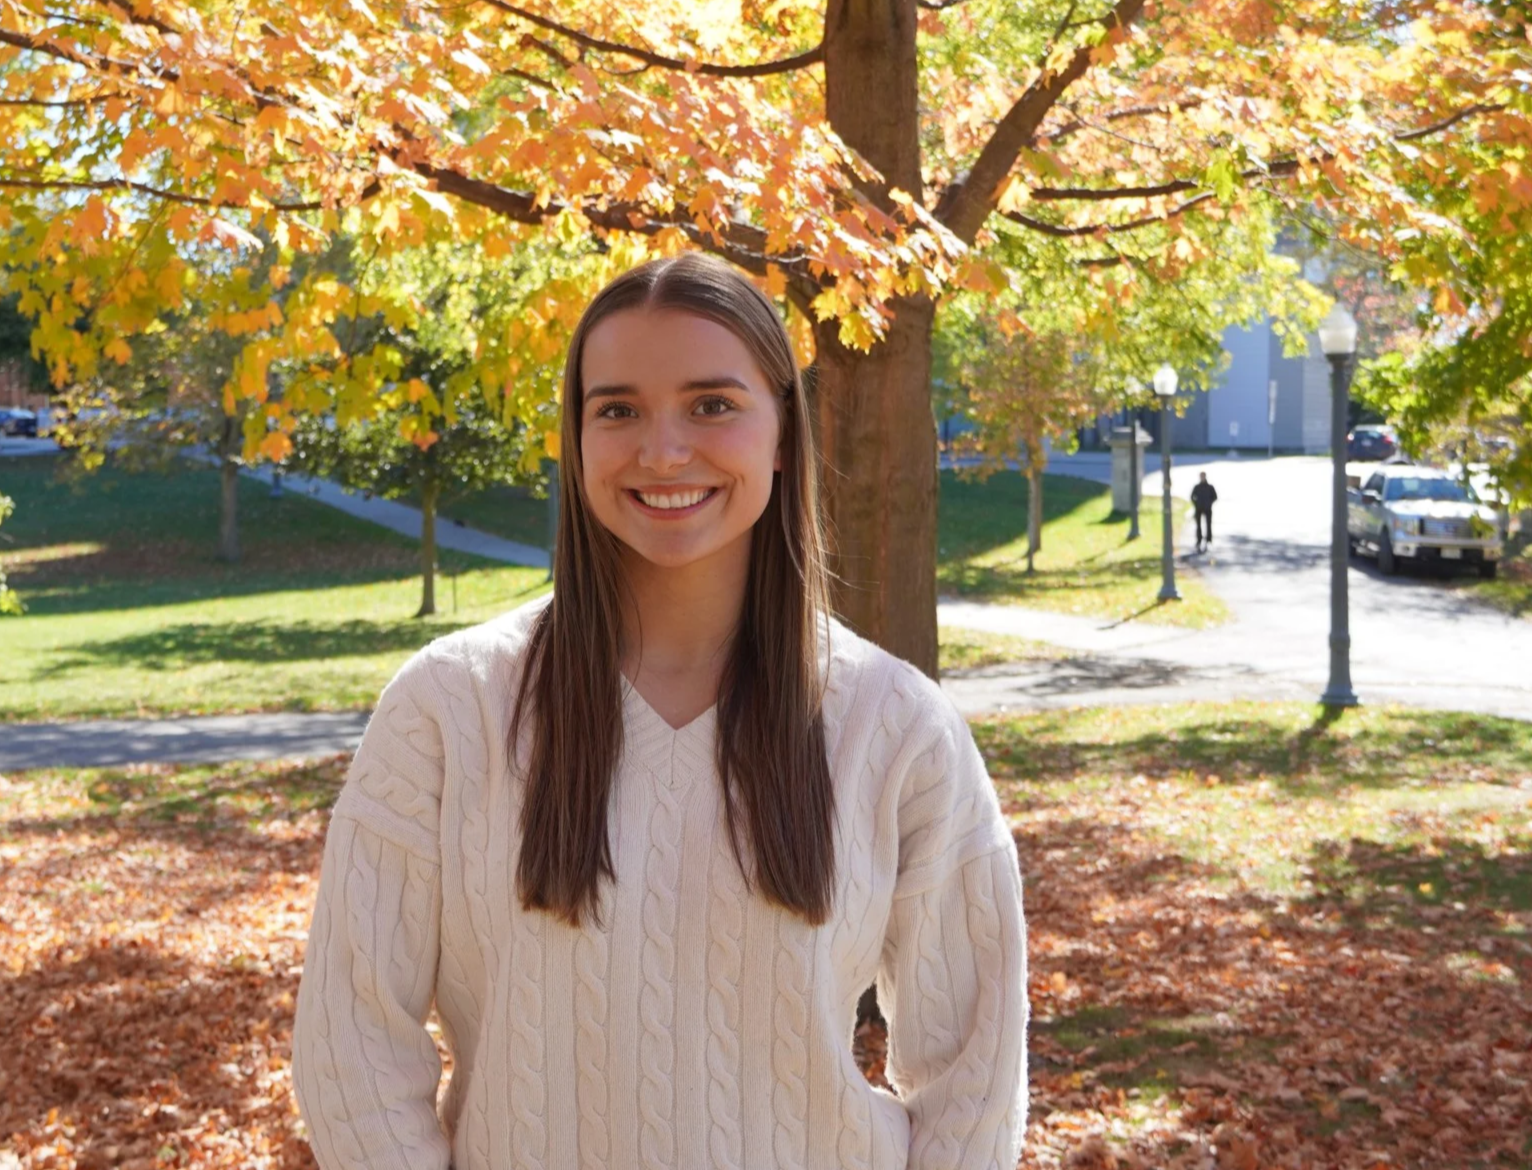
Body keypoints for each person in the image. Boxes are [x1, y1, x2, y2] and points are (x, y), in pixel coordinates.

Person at [292, 253, 1029, 1169]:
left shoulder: (896, 727)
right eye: (617, 410)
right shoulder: (449, 708)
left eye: (711, 404)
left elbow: (973, 1078)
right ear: (576, 438)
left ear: (782, 433)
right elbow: (354, 1051)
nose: (664, 450)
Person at [1190, 472, 1219, 551]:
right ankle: (1199, 540)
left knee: (1208, 525)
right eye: (1201, 476)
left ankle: (1209, 540)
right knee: (1198, 526)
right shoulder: (1197, 487)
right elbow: (1192, 497)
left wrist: (1209, 503)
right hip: (1199, 508)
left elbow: (1215, 497)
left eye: (1203, 476)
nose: (1202, 477)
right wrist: (1196, 504)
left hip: (1207, 509)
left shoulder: (1210, 487)